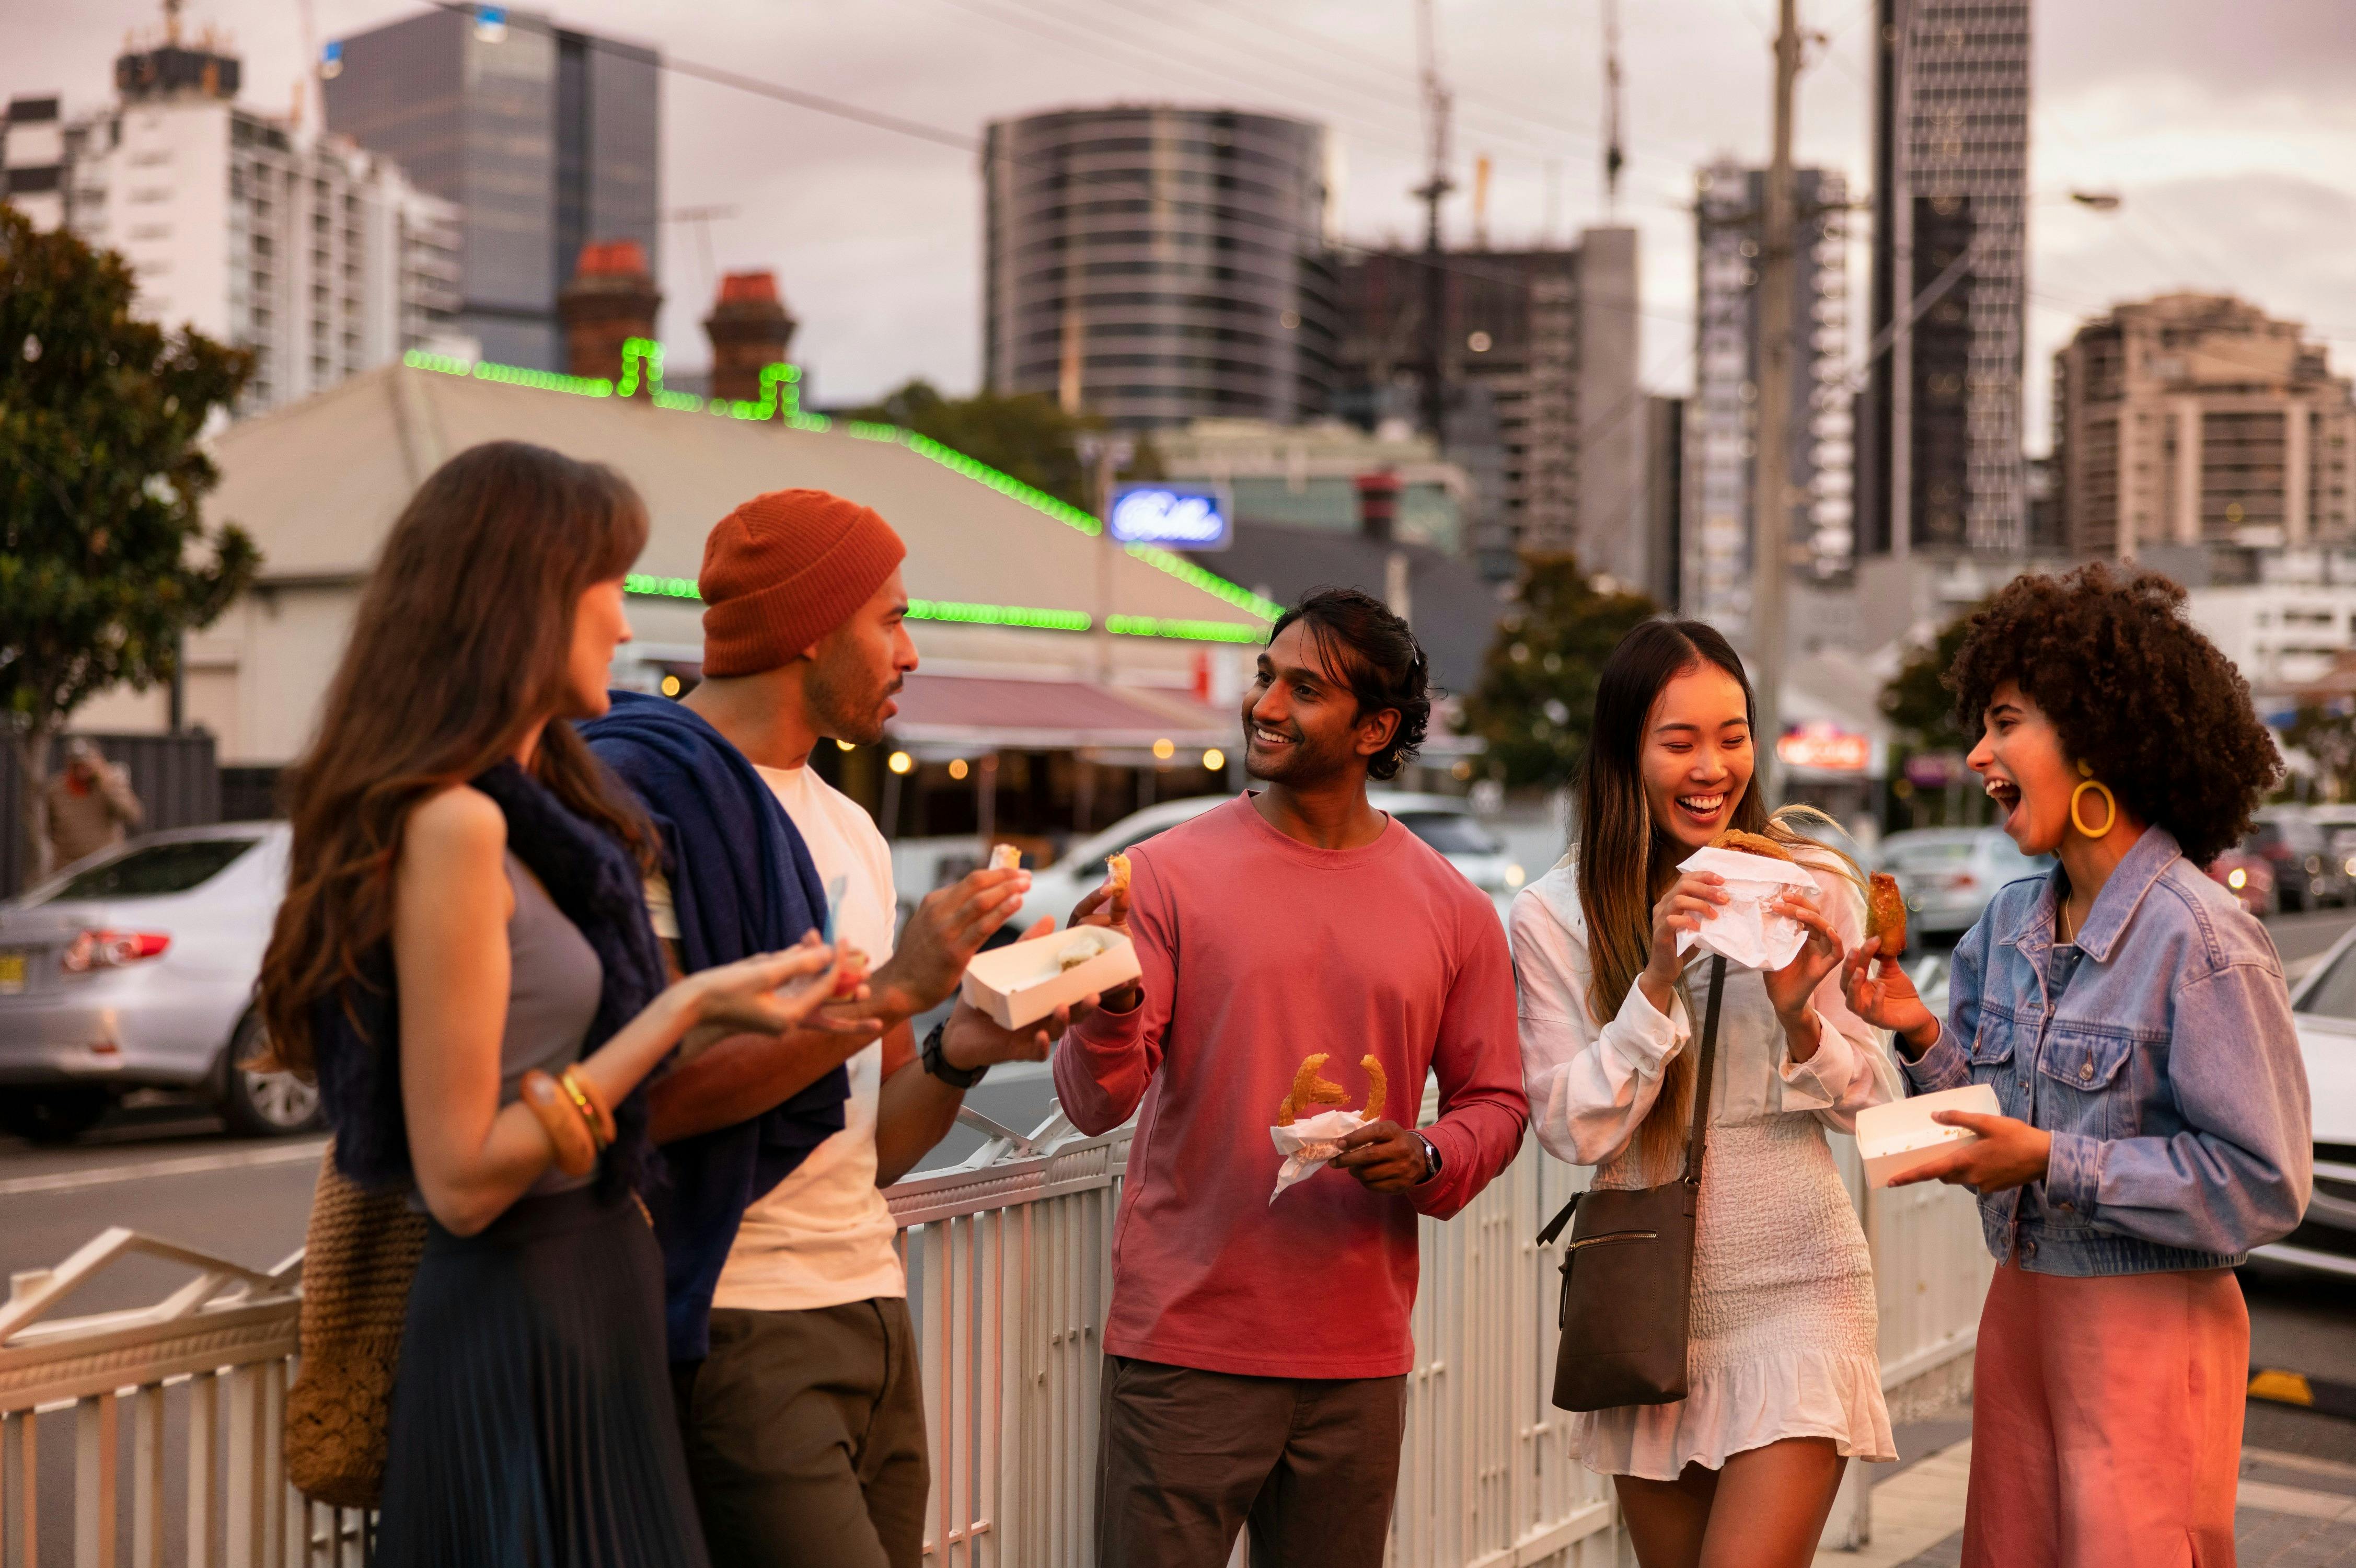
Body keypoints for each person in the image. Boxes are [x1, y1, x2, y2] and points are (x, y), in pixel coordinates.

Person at [258, 442, 853, 1567]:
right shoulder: (461, 827)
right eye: (610, 587)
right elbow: (465, 1180)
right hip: (519, 1311)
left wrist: (719, 1003)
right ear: (523, 600)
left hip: (590, 1294)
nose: (627, 627)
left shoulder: (535, 813)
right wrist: (677, 1021)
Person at [585, 488, 1081, 1568]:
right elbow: (651, 1099)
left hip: (872, 1302)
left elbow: (872, 1145)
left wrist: (959, 1044)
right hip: (734, 1313)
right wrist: (898, 991)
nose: (910, 653)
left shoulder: (852, 827)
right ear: (809, 625)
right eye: (891, 619)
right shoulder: (642, 799)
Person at [1843, 565, 2312, 1568]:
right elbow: (1984, 1116)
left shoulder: (2203, 939)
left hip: (2150, 1335)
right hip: (2021, 1313)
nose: (1977, 754)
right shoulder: (2007, 922)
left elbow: (2264, 1185)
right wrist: (1917, 1033)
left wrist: (2053, 1162)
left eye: (2004, 723)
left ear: (2097, 738)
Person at [1053, 587, 1529, 1568]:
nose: (1265, 704)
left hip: (1357, 1357)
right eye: (1265, 676)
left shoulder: (1452, 909)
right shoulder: (1163, 875)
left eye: (1302, 689)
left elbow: (1498, 1102)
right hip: (1184, 1346)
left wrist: (1431, 1151)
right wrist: (1104, 1004)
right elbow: (1093, 1100)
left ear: (1375, 729)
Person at [1511, 619, 1899, 1568]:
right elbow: (1571, 1126)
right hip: (1648, 1298)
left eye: (1731, 735)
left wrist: (1802, 1018)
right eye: (1678, 740)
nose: (1711, 765)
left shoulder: (1809, 887)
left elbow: (1879, 1109)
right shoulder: (1553, 914)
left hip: (1802, 1284)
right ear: (1623, 752)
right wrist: (1652, 982)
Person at [47, 737, 142, 868]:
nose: (82, 769)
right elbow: (46, 828)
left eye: (86, 763)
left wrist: (107, 784)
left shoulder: (110, 784)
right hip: (68, 868)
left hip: (106, 866)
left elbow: (132, 815)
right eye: (77, 764)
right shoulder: (54, 790)